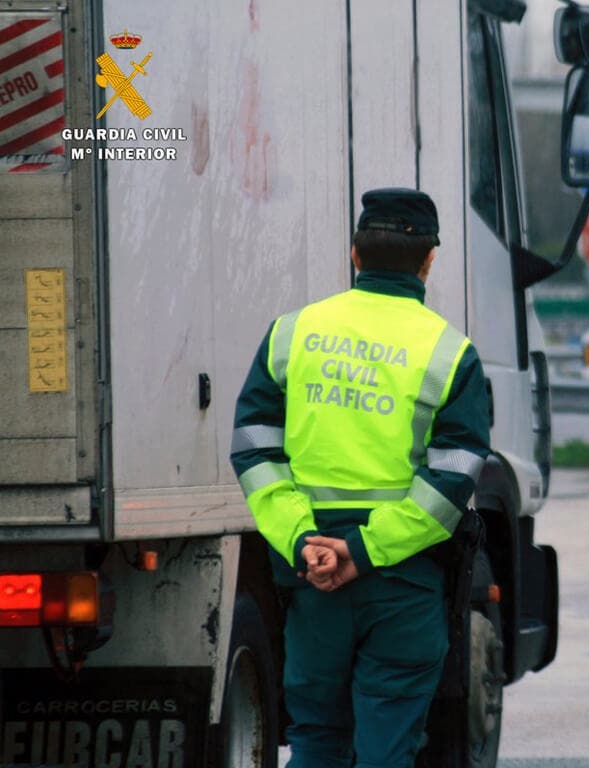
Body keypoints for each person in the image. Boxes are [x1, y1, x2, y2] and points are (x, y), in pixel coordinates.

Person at [229, 188, 491, 768]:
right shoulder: (450, 354)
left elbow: (253, 448)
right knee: (386, 746)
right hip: (402, 583)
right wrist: (364, 550)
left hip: (313, 577)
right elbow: (453, 480)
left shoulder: (291, 335)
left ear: (354, 254)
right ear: (428, 261)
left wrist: (304, 541)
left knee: (317, 737)